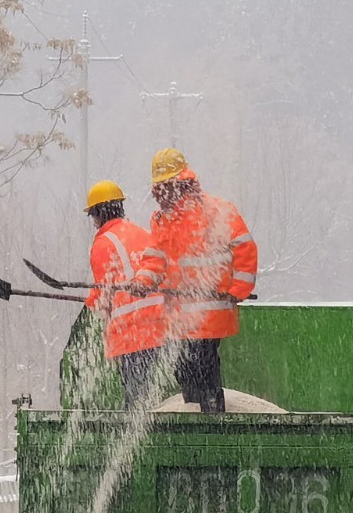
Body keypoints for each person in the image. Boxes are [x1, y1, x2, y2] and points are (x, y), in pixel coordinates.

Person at [134, 149, 257, 413]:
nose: (162, 193)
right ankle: (196, 413)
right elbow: (155, 258)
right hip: (178, 315)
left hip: (209, 311)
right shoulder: (162, 220)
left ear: (181, 182)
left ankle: (213, 417)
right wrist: (143, 280)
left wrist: (239, 289)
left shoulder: (217, 211)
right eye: (159, 187)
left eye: (166, 186)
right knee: (183, 368)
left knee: (204, 364)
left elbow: (244, 247)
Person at [83, 179, 165, 408]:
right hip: (162, 327)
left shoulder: (102, 243)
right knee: (157, 398)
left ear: (98, 214)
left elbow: (103, 293)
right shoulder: (141, 233)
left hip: (133, 331)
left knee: (137, 403)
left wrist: (91, 301)